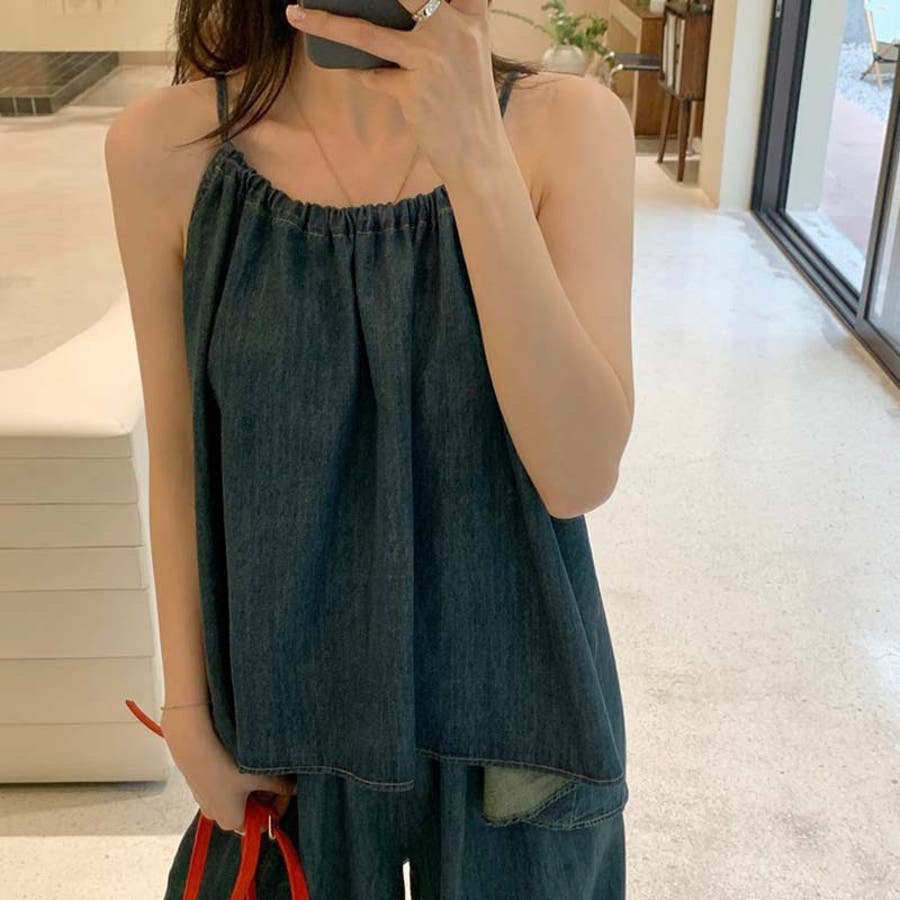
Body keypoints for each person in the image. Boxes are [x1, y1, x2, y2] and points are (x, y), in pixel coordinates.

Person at [105, 0, 635, 895]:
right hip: (281, 717)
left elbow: (578, 474)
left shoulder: (566, 128)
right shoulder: (165, 151)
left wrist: (476, 157)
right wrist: (188, 713)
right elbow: (180, 455)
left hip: (518, 711)